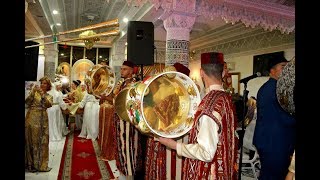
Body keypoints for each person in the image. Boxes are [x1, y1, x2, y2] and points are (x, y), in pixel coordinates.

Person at [158, 52, 238, 179]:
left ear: (201, 72)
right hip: (225, 168)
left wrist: (174, 145)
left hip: (210, 173)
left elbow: (206, 153)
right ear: (223, 73)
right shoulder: (226, 99)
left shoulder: (208, 107)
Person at [144, 62, 191, 180]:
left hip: (169, 132)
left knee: (169, 165)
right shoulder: (166, 87)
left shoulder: (172, 89)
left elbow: (155, 100)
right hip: (164, 130)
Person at [253, 55, 296, 180]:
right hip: (274, 143)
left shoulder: (271, 87)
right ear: (272, 71)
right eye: (283, 67)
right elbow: (284, 118)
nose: (287, 70)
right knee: (272, 176)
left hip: (270, 140)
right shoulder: (275, 89)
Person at [112, 60, 144, 179]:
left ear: (131, 71)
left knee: (129, 149)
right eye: (121, 69)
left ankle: (129, 175)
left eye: (124, 69)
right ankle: (122, 174)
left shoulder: (135, 84)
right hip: (119, 122)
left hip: (128, 124)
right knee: (121, 148)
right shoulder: (122, 83)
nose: (122, 71)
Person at [25, 76, 53, 172]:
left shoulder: (49, 96)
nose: (42, 85)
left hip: (43, 119)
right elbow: (27, 102)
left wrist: (42, 95)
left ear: (48, 85)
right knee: (31, 140)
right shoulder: (34, 93)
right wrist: (32, 92)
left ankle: (41, 165)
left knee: (43, 140)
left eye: (45, 83)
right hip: (31, 117)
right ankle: (31, 164)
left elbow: (48, 104)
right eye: (41, 83)